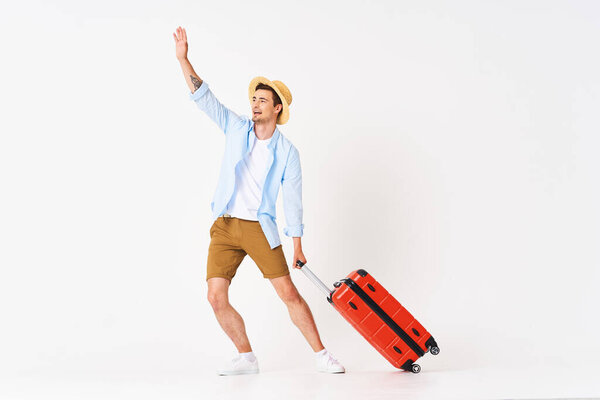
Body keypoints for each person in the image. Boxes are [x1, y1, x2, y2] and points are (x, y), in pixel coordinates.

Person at [173, 26, 345, 375]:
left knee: (289, 295)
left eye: (262, 100)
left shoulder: (287, 152)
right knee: (215, 297)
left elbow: (293, 200)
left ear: (277, 109)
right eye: (253, 99)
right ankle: (246, 357)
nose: (254, 104)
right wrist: (183, 59)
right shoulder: (236, 127)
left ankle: (322, 354)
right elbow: (205, 99)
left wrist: (297, 245)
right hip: (225, 225)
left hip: (258, 228)